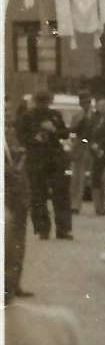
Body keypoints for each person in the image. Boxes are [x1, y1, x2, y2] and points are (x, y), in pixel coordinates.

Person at [21, 88, 73, 241]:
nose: (44, 106)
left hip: (55, 158)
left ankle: (61, 229)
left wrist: (54, 130)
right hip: (37, 159)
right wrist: (36, 137)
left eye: (46, 102)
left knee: (60, 194)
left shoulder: (55, 115)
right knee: (39, 195)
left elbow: (65, 133)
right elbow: (22, 137)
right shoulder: (27, 117)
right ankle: (44, 229)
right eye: (42, 102)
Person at [5, 104, 32, 300]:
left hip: (19, 194)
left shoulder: (13, 134)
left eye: (8, 110)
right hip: (5, 193)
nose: (6, 113)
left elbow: (22, 155)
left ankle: (14, 284)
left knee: (18, 241)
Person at [68, 90, 94, 213]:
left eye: (87, 101)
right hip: (80, 146)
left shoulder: (95, 115)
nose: (85, 104)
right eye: (82, 101)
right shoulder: (77, 116)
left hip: (91, 147)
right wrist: (82, 142)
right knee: (76, 177)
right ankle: (75, 204)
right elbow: (74, 131)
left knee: (89, 177)